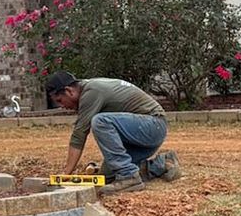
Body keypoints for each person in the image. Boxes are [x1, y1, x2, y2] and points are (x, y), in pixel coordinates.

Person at [46, 71, 181, 186]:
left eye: (60, 100)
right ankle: (163, 164)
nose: (61, 106)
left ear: (69, 91)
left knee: (100, 121)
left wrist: (65, 175)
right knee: (107, 176)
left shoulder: (91, 92)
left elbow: (79, 134)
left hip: (152, 125)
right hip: (141, 134)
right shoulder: (88, 89)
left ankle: (129, 177)